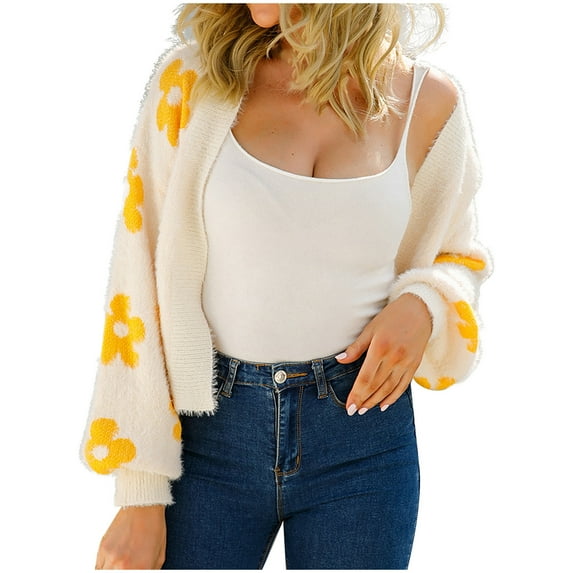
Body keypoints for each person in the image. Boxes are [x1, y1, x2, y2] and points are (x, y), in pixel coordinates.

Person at [81, 3, 491, 569]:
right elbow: (137, 277)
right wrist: (139, 493)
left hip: (361, 438)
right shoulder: (191, 83)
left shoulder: (429, 102)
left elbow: (460, 258)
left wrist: (425, 305)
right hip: (206, 441)